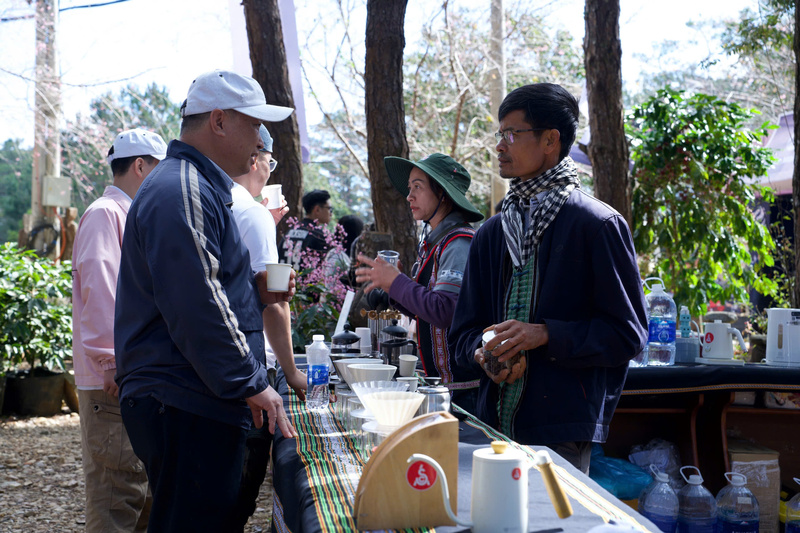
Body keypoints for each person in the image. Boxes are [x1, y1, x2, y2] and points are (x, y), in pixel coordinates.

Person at [113, 70, 299, 532]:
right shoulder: (183, 188)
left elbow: (195, 288)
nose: (260, 141)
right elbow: (196, 303)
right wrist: (251, 380)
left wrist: (251, 291)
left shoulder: (193, 186)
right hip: (183, 399)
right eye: (253, 124)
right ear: (218, 121)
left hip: (186, 395)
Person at [448, 83, 648, 473]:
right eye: (499, 135)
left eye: (512, 134)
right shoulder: (491, 234)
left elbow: (628, 335)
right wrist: (482, 353)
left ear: (550, 140)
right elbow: (461, 336)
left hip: (561, 431)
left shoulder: (598, 224)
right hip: (491, 425)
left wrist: (545, 334)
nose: (500, 146)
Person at [72, 128, 167, 532]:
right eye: (160, 170)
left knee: (135, 492)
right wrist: (111, 360)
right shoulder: (106, 213)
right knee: (116, 497)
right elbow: (100, 286)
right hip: (114, 379)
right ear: (141, 166)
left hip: (129, 375)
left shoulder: (127, 214)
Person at [355, 153, 484, 415]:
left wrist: (398, 282)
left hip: (465, 390)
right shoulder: (435, 243)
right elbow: (424, 310)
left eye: (418, 187)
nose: (409, 196)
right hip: (446, 388)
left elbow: (444, 311)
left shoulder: (458, 243)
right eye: (409, 187)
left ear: (443, 194)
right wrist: (394, 290)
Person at [229, 124, 307, 530]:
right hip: (243, 372)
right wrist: (292, 373)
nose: (269, 171)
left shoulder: (212, 199)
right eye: (270, 162)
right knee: (233, 501)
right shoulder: (253, 212)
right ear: (256, 157)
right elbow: (274, 303)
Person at [279, 189, 332, 268]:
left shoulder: (290, 232)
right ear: (317, 209)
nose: (331, 213)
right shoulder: (319, 236)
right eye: (329, 209)